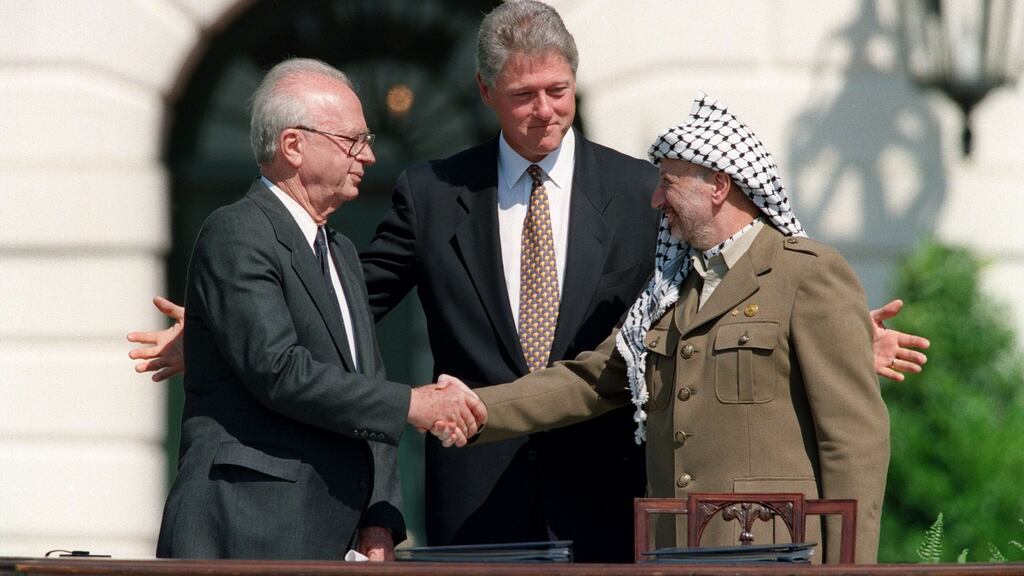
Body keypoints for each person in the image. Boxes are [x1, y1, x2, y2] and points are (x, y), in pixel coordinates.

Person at [129, 1, 928, 562]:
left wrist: (835, 336)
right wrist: (223, 327)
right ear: (486, 94)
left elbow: (726, 305)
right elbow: (341, 306)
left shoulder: (637, 190)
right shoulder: (433, 192)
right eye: (523, 95)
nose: (544, 110)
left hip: (618, 505)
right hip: (479, 504)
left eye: (558, 91)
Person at [442, 92, 893, 564]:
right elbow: (591, 379)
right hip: (673, 552)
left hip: (774, 554)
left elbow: (853, 439)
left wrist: (850, 569)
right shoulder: (668, 290)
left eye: (668, 184)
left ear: (718, 186)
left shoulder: (806, 274)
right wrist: (478, 408)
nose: (656, 200)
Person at [155, 58, 485, 561]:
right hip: (247, 530)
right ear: (293, 145)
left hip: (333, 539)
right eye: (353, 141)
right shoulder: (237, 232)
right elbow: (279, 370)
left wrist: (380, 517)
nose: (369, 155)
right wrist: (412, 404)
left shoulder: (341, 252)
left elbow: (365, 380)